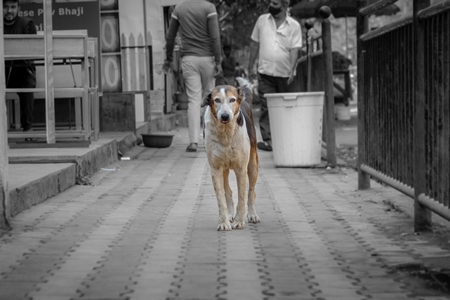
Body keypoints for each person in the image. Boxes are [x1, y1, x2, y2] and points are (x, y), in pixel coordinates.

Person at [164, 0, 222, 152]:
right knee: (210, 98)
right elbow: (215, 37)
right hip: (208, 58)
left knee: (193, 100)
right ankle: (210, 140)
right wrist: (219, 60)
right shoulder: (208, 7)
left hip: (189, 58)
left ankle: (193, 142)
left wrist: (168, 59)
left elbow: (170, 37)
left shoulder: (179, 8)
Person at [248, 0, 302, 151]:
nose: (271, 5)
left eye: (276, 3)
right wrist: (251, 65)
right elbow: (254, 44)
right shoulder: (262, 20)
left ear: (285, 6)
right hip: (265, 72)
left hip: (285, 75)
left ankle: (288, 139)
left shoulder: (294, 26)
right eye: (271, 2)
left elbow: (294, 50)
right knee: (266, 106)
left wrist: (292, 70)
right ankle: (268, 141)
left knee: (287, 106)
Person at [4, 0, 37, 133]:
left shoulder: (27, 24)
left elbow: (32, 51)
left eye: (13, 7)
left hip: (22, 70)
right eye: (5, 7)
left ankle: (28, 128)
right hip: (1, 71)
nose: (9, 11)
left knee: (27, 88)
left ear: (19, 8)